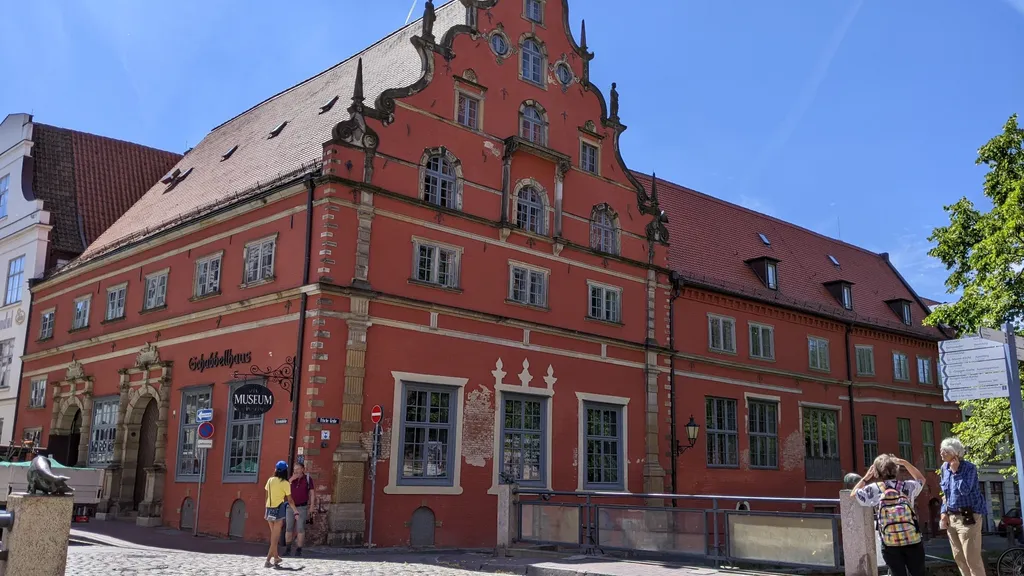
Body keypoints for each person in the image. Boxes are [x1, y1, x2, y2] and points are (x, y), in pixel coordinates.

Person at [850, 454, 927, 576]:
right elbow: (921, 479)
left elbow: (853, 494)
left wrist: (866, 478)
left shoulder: (874, 489)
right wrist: (905, 463)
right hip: (912, 540)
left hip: (890, 543)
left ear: (876, 472)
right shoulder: (906, 486)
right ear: (896, 469)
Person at [939, 437, 986, 576]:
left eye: (945, 450)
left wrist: (956, 472)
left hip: (969, 516)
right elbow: (945, 493)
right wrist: (943, 513)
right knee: (959, 558)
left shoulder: (969, 468)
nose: (941, 452)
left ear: (954, 453)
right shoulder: (944, 468)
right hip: (952, 517)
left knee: (972, 559)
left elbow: (965, 490)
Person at [264, 460, 297, 569]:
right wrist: (295, 511)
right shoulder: (285, 483)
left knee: (274, 536)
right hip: (278, 510)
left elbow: (267, 495)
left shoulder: (270, 480)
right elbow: (290, 500)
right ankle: (268, 561)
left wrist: (267, 507)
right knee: (275, 538)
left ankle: (276, 557)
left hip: (269, 509)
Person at [284, 461, 315, 557]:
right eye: (294, 469)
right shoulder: (290, 480)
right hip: (290, 507)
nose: (296, 471)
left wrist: (312, 506)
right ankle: (288, 549)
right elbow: (284, 491)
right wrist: (291, 480)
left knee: (300, 528)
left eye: (298, 469)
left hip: (302, 507)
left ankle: (299, 549)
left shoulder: (308, 479)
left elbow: (312, 493)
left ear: (302, 469)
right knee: (289, 528)